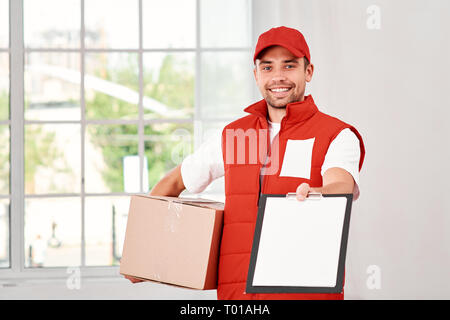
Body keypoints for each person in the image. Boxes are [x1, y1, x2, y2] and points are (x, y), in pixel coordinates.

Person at [124, 26, 366, 300]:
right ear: (256, 75)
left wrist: (316, 194)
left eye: (289, 66)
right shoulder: (234, 136)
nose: (278, 77)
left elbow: (341, 183)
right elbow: (175, 182)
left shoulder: (336, 134)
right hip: (238, 296)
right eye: (267, 67)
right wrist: (143, 255)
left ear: (308, 71)